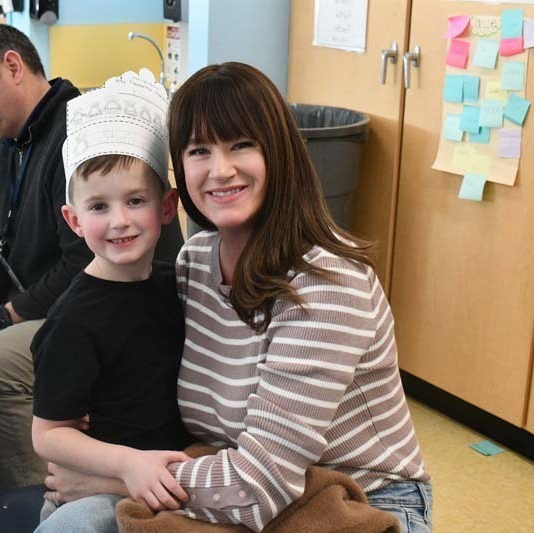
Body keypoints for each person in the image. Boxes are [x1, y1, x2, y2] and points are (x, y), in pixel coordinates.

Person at [43, 62, 433, 533]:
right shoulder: (195, 262)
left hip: (360, 502)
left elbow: (258, 484)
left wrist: (115, 478)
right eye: (199, 150)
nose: (220, 170)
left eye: (242, 144)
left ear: (279, 151)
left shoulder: (327, 283)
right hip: (230, 478)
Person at [0, 24, 184, 494]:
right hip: (24, 286)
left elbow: (76, 269)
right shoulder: (5, 146)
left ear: (13, 66)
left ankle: (32, 487)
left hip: (64, 292)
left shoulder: (76, 140)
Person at [30, 70, 191, 533]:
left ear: (166, 206)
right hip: (100, 489)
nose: (119, 220)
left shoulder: (178, 285)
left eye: (135, 200)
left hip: (176, 480)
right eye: (99, 206)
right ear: (74, 220)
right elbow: (48, 434)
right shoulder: (73, 320)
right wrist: (126, 465)